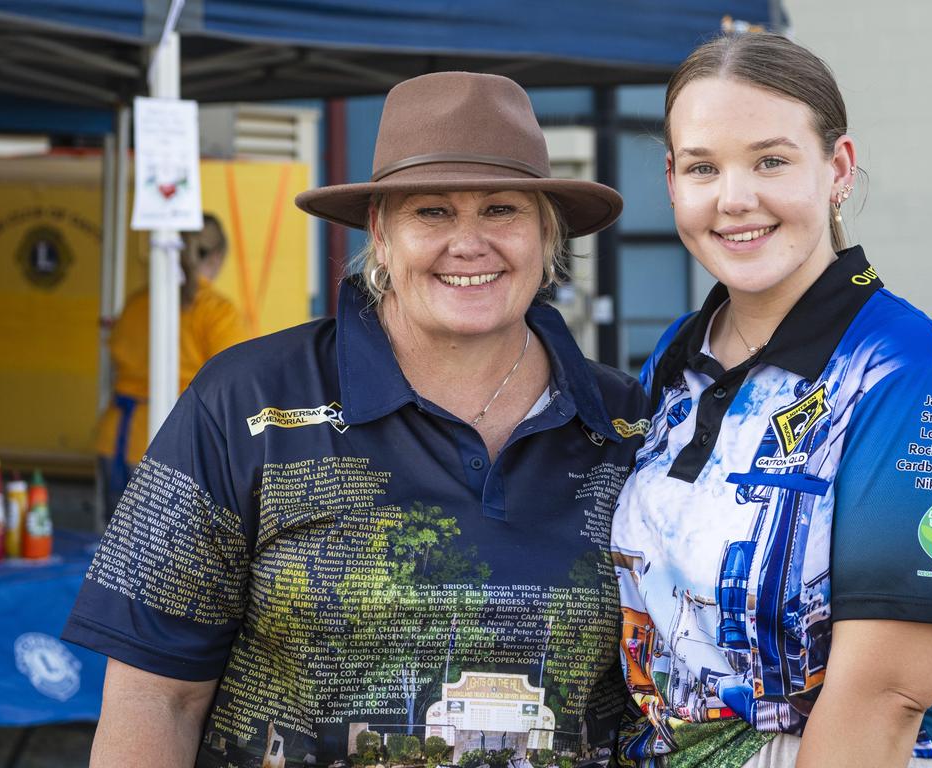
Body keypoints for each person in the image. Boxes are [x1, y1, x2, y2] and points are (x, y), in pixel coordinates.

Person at [65, 72, 650, 768]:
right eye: (432, 212)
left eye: (501, 210)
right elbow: (154, 699)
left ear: (546, 233)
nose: (469, 243)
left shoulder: (634, 427)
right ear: (380, 231)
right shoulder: (246, 402)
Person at [611, 33, 932, 768]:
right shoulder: (677, 354)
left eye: (771, 160)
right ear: (672, 181)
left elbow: (884, 702)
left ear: (838, 170)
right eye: (704, 167)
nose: (735, 199)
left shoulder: (907, 374)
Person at [94, 213, 248, 515]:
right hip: (176, 449)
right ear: (216, 257)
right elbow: (235, 389)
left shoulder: (138, 303)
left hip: (116, 442)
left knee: (114, 556)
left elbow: (116, 364)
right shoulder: (218, 313)